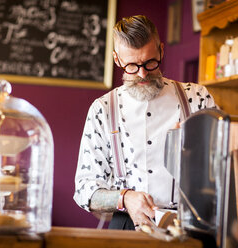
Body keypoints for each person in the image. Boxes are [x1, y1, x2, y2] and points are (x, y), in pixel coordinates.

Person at [73, 15, 217, 230]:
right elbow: (85, 190)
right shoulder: (102, 109)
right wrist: (124, 198)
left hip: (190, 225)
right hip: (127, 226)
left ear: (161, 50)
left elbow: (222, 168)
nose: (142, 74)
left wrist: (195, 149)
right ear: (117, 59)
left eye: (150, 62)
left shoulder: (197, 98)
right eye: (131, 65)